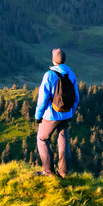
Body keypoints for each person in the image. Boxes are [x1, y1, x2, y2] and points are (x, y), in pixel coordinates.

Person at [34, 48, 79, 178]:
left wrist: (38, 116)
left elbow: (43, 98)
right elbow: (76, 98)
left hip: (50, 116)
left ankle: (48, 172)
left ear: (53, 60)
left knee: (42, 139)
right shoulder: (71, 75)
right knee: (63, 141)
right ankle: (63, 173)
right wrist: (70, 113)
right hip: (66, 114)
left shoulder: (49, 75)